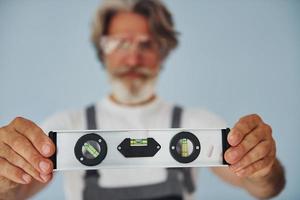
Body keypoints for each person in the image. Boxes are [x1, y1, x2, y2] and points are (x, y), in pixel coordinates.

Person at [0, 0, 285, 199]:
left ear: (163, 53)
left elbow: (264, 188)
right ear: (103, 52)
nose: (133, 58)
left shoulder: (197, 125)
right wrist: (5, 173)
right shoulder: (65, 129)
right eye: (120, 43)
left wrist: (262, 169)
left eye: (146, 44)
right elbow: (14, 193)